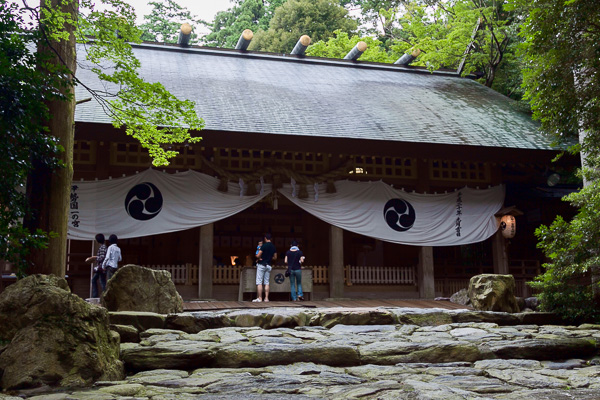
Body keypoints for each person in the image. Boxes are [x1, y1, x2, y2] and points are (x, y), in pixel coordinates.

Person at [253, 233, 276, 302]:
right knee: (266, 282)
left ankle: (260, 298)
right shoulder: (273, 247)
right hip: (269, 265)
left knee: (259, 282)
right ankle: (266, 298)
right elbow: (275, 257)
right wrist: (269, 258)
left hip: (261, 265)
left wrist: (258, 256)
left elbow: (258, 255)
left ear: (265, 238)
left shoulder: (263, 246)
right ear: (271, 239)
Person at [86, 233, 107, 298]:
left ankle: (104, 295)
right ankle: (99, 295)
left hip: (101, 267)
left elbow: (102, 257)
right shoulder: (103, 246)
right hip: (101, 267)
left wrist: (94, 257)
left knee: (101, 281)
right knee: (98, 280)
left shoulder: (103, 247)